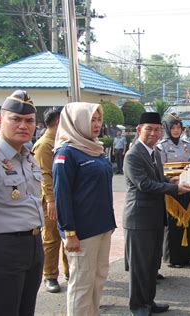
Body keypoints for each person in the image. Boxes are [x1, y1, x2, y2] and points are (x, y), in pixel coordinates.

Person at [123, 112, 190, 316]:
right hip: (138, 219)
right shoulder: (133, 154)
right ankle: (138, 307)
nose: (153, 134)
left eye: (157, 130)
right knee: (139, 267)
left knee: (153, 264)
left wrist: (171, 182)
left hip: (154, 216)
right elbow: (144, 184)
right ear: (139, 130)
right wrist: (174, 189)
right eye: (149, 129)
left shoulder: (153, 152)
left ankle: (149, 302)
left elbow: (157, 179)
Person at [52, 102, 117, 315]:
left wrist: (110, 223)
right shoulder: (66, 152)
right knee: (81, 284)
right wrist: (69, 232)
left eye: (99, 119)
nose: (97, 124)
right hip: (81, 233)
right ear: (77, 121)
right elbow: (61, 195)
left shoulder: (95, 148)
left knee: (98, 279)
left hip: (102, 227)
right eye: (92, 120)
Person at [0, 90, 44, 315]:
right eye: (16, 119)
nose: (24, 125)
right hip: (3, 248)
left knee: (25, 310)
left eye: (29, 121)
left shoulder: (28, 157)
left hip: (33, 245)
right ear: (0, 120)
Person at [32, 106, 69, 294]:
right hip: (50, 202)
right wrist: (51, 202)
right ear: (56, 123)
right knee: (51, 239)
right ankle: (50, 275)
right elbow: (44, 175)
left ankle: (69, 272)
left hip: (63, 199)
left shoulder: (60, 142)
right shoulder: (44, 144)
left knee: (68, 237)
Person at [156, 113, 190, 268]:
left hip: (187, 186)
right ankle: (173, 257)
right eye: (172, 127)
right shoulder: (162, 146)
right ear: (166, 128)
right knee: (173, 224)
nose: (176, 130)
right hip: (171, 189)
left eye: (178, 127)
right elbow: (160, 170)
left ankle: (187, 254)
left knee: (188, 220)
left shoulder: (186, 144)